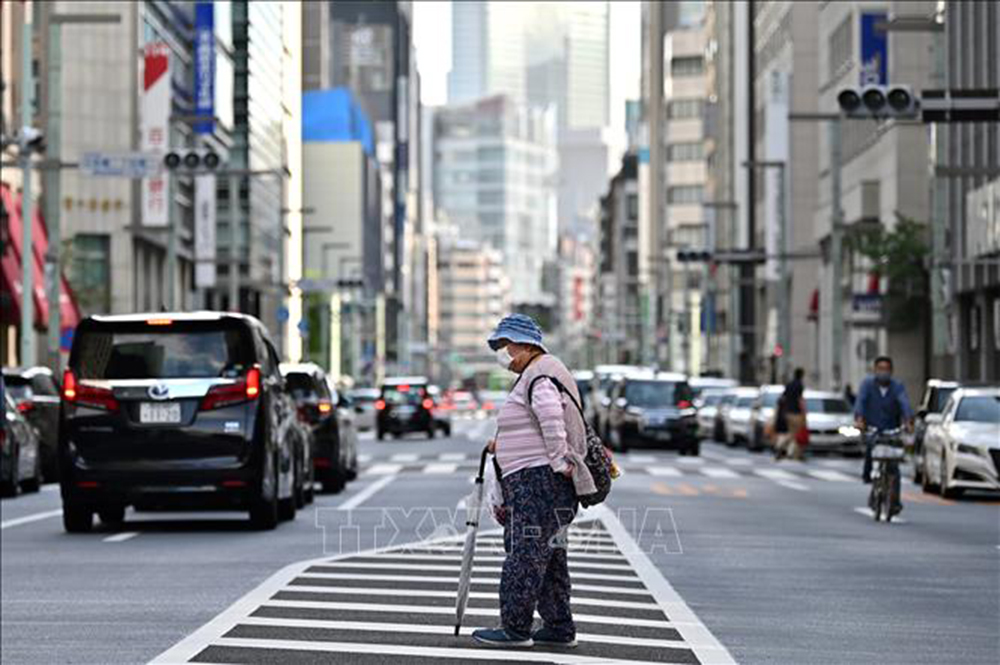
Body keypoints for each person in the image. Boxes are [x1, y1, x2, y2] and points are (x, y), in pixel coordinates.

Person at [472, 313, 596, 649]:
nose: (503, 352)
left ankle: (515, 627)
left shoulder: (540, 374)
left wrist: (558, 461)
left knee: (525, 553)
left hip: (538, 481)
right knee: (549, 553)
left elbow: (551, 418)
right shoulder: (539, 371)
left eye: (506, 345)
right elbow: (533, 423)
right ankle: (558, 625)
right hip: (540, 479)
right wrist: (504, 443)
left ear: (526, 345)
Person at [854, 356, 913, 511]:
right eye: (880, 369)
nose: (883, 372)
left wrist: (908, 421)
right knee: (870, 451)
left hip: (891, 430)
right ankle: (870, 480)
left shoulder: (897, 386)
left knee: (893, 466)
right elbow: (861, 402)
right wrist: (860, 420)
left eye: (886, 369)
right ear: (875, 370)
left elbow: (904, 403)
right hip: (873, 429)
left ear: (891, 371)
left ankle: (894, 501)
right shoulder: (867, 384)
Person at [775, 367, 807, 460]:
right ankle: (782, 448)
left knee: (792, 433)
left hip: (787, 412)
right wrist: (804, 412)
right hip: (796, 412)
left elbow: (782, 398)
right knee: (795, 433)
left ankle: (792, 453)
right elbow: (800, 399)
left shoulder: (789, 384)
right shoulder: (799, 385)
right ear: (801, 375)